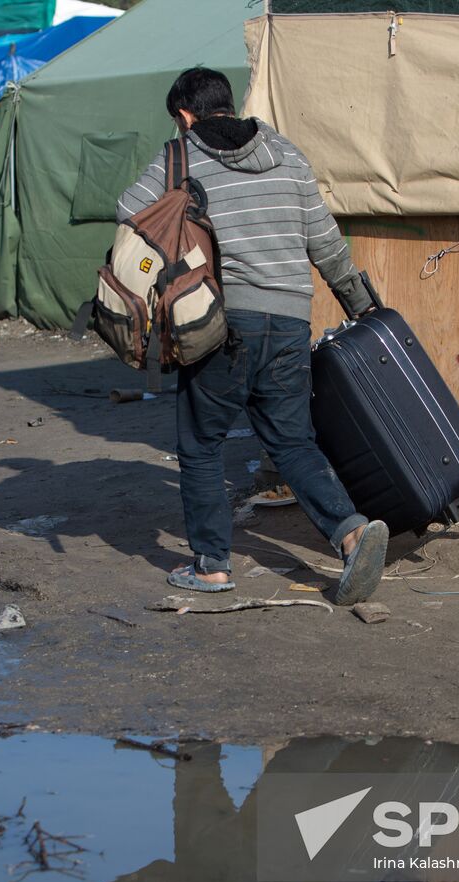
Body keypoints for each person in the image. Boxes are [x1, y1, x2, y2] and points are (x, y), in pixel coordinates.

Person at [116, 67, 388, 606]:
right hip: (289, 323)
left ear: (185, 114)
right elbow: (327, 245)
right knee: (292, 442)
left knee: (200, 444)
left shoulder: (182, 157)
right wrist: (363, 308)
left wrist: (187, 228)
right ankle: (353, 533)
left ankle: (212, 567)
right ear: (229, 105)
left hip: (220, 323)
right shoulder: (285, 152)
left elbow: (130, 211)